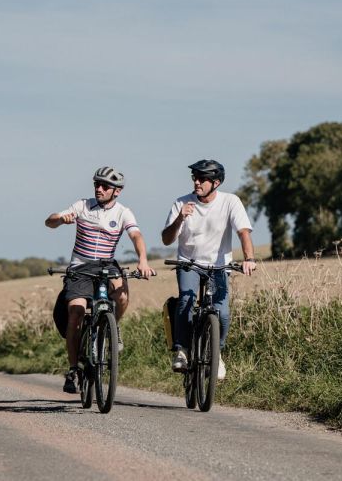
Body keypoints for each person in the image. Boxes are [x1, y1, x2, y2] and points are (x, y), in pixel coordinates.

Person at [45, 166, 154, 394]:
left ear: (117, 191)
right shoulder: (82, 205)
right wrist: (59, 218)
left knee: (122, 294)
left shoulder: (123, 212)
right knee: (75, 311)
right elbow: (50, 222)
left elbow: (136, 235)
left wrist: (143, 260)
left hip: (107, 264)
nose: (99, 189)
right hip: (81, 265)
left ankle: (111, 325)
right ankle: (74, 368)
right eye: (97, 184)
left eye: (105, 186)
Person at [161, 159, 256, 380]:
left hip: (219, 266)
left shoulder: (230, 202)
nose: (197, 182)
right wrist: (180, 218)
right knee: (186, 299)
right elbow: (166, 240)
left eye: (202, 179)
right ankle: (182, 350)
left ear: (216, 183)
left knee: (221, 312)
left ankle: (216, 353)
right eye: (195, 177)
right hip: (189, 263)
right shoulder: (181, 203)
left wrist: (249, 258)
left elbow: (243, 232)